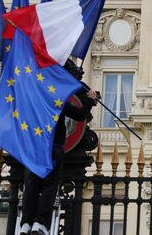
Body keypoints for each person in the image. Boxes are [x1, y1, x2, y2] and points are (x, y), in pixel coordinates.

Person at [20, 59, 97, 235]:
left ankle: (25, 223)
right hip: (53, 145)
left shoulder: (34, 95)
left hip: (34, 146)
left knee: (31, 185)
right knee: (49, 185)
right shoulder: (55, 98)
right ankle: (40, 223)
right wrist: (90, 100)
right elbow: (79, 115)